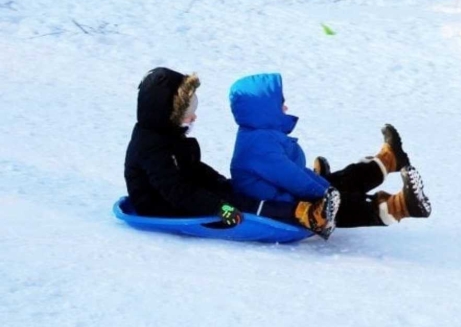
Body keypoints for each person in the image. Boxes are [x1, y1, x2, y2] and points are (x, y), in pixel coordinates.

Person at [124, 67, 338, 234]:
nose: (194, 117)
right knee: (239, 205)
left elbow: (192, 169)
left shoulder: (166, 134)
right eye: (187, 112)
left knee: (232, 192)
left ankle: (304, 205)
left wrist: (218, 182)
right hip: (160, 205)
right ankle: (303, 214)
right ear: (167, 114)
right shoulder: (152, 147)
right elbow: (177, 190)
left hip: (182, 193)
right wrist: (219, 208)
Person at [228, 73, 431, 236]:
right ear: (263, 110)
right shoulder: (258, 144)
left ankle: (388, 161)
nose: (286, 107)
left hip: (285, 193)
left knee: (334, 186)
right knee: (336, 198)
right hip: (282, 206)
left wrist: (323, 186)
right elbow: (290, 176)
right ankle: (401, 206)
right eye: (280, 103)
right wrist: (322, 192)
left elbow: (294, 172)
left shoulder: (262, 136)